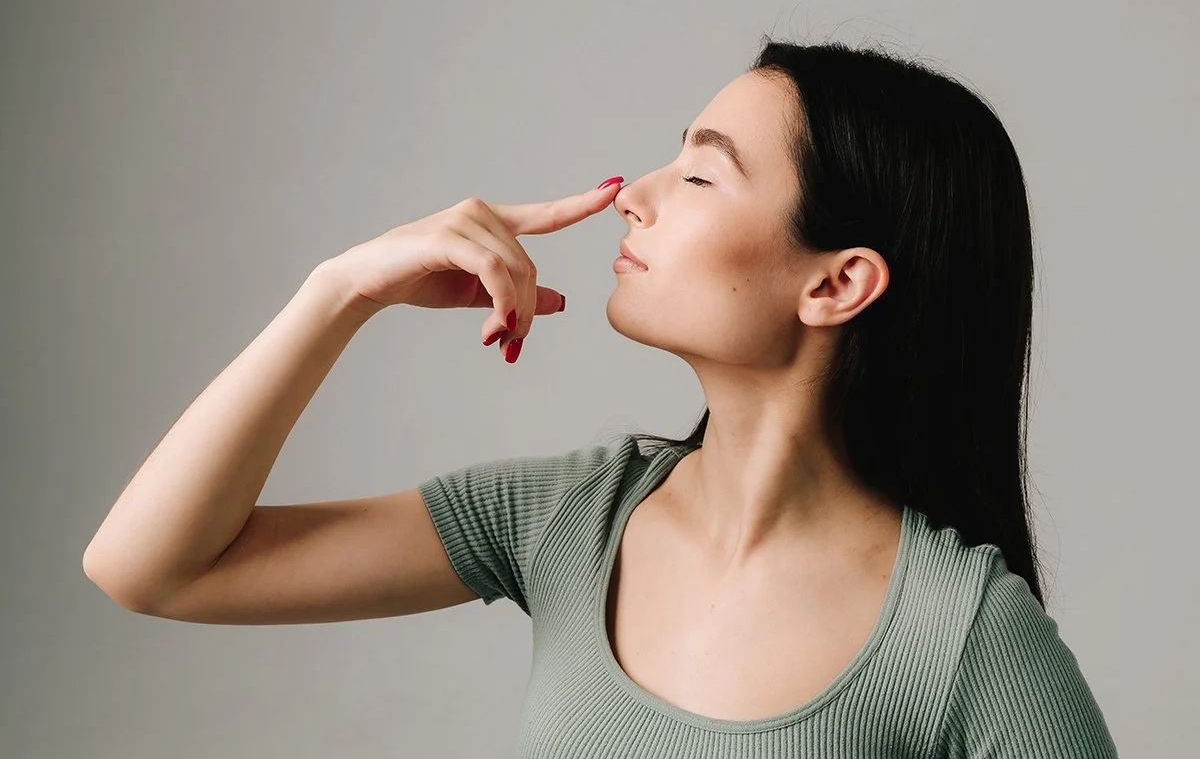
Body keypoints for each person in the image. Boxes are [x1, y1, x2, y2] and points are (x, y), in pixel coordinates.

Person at [83, 38, 1120, 757]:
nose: (636, 191)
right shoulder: (569, 519)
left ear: (836, 282)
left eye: (702, 176)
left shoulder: (965, 635)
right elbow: (153, 566)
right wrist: (340, 291)